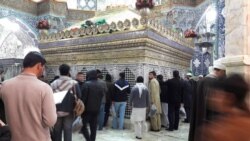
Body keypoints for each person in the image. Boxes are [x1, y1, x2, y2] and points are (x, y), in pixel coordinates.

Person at [0, 51, 57, 141]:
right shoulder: (45, 88)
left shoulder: (4, 86)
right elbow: (50, 121)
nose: (43, 69)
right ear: (39, 66)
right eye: (43, 67)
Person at [202, 74, 250, 141]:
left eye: (216, 94)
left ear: (230, 98)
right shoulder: (223, 121)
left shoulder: (223, 130)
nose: (212, 98)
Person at [189, 59, 226, 141]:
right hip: (208, 123)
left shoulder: (201, 81)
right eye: (224, 72)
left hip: (200, 121)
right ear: (220, 71)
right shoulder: (214, 82)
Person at [51, 64, 81, 141]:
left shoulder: (53, 83)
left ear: (59, 72)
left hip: (56, 111)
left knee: (57, 132)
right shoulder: (74, 83)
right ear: (68, 72)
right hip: (69, 111)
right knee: (68, 131)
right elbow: (79, 96)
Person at [80, 70, 104, 141]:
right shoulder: (100, 85)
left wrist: (81, 109)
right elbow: (101, 96)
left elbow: (83, 98)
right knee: (93, 128)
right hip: (96, 110)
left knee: (83, 126)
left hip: (87, 110)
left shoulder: (86, 84)